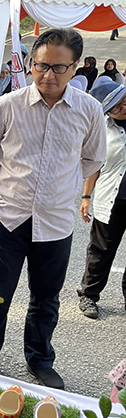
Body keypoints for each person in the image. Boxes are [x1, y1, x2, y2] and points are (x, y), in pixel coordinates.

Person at [0, 28, 106, 389]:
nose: (47, 75)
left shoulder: (89, 110)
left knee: (46, 299)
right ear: (30, 63)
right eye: (40, 65)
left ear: (75, 68)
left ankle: (40, 359)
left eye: (58, 68)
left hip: (56, 223)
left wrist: (68, 190)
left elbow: (93, 158)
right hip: (8, 219)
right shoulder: (8, 105)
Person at [77, 80, 126, 319]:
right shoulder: (102, 130)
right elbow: (95, 166)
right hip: (112, 199)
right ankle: (88, 295)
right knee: (101, 251)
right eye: (116, 107)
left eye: (125, 101)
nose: (123, 107)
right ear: (107, 111)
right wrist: (86, 196)